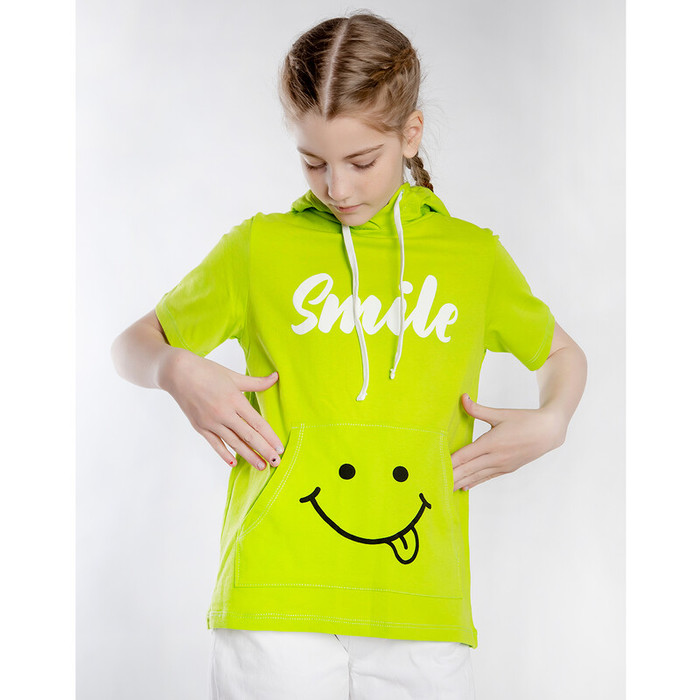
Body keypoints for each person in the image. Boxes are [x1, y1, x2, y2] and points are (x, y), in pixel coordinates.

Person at [111, 10, 587, 700]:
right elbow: (131, 346)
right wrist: (175, 368)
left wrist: (554, 419)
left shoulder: (472, 257)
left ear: (410, 134)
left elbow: (562, 353)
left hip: (422, 606)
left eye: (361, 161)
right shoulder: (259, 248)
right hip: (273, 601)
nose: (336, 188)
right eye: (313, 162)